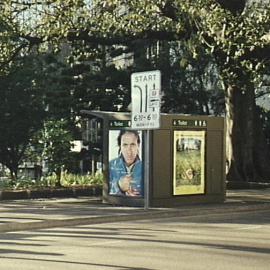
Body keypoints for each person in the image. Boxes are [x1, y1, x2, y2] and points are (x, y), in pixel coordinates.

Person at [109, 129, 143, 196]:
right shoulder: (110, 166)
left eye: (132, 144)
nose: (129, 150)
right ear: (120, 146)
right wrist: (118, 186)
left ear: (138, 145)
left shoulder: (146, 167)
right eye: (125, 145)